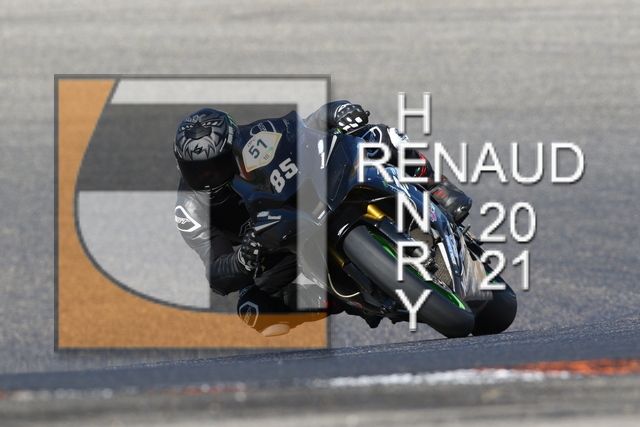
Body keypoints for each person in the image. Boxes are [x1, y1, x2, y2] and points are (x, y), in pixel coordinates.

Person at [173, 101, 472, 336]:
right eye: (196, 171)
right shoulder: (190, 208)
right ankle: (342, 299)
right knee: (254, 310)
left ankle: (435, 184)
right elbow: (216, 272)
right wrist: (244, 259)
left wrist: (339, 111)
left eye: (216, 166)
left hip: (315, 191)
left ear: (232, 147)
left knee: (373, 134)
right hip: (277, 243)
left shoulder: (258, 135)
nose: (208, 178)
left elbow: (308, 126)